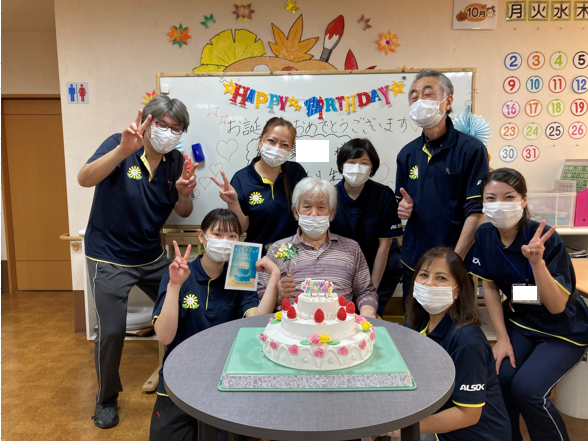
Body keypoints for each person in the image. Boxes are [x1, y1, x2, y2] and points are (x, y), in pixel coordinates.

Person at [78, 95, 196, 428]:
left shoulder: (176, 162)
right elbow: (84, 178)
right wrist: (121, 151)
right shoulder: (119, 144)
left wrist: (184, 193)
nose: (168, 132)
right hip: (109, 256)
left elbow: (183, 210)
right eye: (162, 125)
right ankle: (106, 399)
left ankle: (177, 376)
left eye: (176, 128)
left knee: (187, 305)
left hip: (151, 255)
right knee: (112, 331)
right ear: (146, 122)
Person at [468, 168, 588, 441]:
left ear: (523, 200)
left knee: (527, 390)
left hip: (563, 330)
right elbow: (489, 286)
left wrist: (537, 263)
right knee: (499, 380)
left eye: (509, 197)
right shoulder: (485, 234)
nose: (499, 204)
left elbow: (556, 306)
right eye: (491, 198)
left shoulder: (544, 238)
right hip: (522, 323)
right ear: (483, 202)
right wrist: (502, 339)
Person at [149, 209, 280, 441]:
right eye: (218, 234)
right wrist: (175, 286)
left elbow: (257, 322)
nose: (225, 241)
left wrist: (275, 277)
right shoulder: (179, 273)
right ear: (202, 236)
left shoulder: (240, 278)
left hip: (224, 379)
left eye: (232, 236)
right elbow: (165, 337)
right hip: (180, 376)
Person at [395, 69, 489, 306]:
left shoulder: (471, 149)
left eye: (428, 95)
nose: (420, 101)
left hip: (457, 260)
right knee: (414, 323)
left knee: (456, 324)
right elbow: (402, 202)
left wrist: (455, 260)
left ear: (447, 102)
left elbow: (477, 212)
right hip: (416, 260)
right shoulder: (406, 154)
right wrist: (404, 208)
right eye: (414, 97)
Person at [405, 247, 511, 441]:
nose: (429, 283)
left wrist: (400, 428)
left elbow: (468, 415)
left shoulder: (467, 341)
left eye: (441, 278)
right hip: (439, 421)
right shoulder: (417, 323)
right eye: (424, 275)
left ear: (457, 290)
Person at [258, 177, 378, 319]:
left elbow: (365, 292)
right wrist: (278, 297)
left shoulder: (352, 248)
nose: (314, 214)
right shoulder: (279, 249)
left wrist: (367, 314)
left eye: (321, 207)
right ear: (296, 213)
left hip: (341, 326)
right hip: (292, 327)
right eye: (307, 207)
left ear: (331, 214)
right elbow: (261, 296)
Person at [211, 117, 307, 253]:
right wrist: (233, 203)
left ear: (291, 148)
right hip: (256, 255)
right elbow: (241, 229)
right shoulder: (241, 179)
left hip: (291, 254)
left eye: (285, 145)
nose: (277, 148)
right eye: (271, 141)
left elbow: (307, 214)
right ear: (260, 141)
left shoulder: (296, 172)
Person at [329, 138, 403, 317]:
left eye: (364, 163)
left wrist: (371, 292)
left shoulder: (383, 195)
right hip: (340, 273)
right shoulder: (329, 196)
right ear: (341, 166)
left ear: (372, 168)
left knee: (368, 320)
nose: (357, 168)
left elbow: (385, 246)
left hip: (379, 271)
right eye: (351, 162)